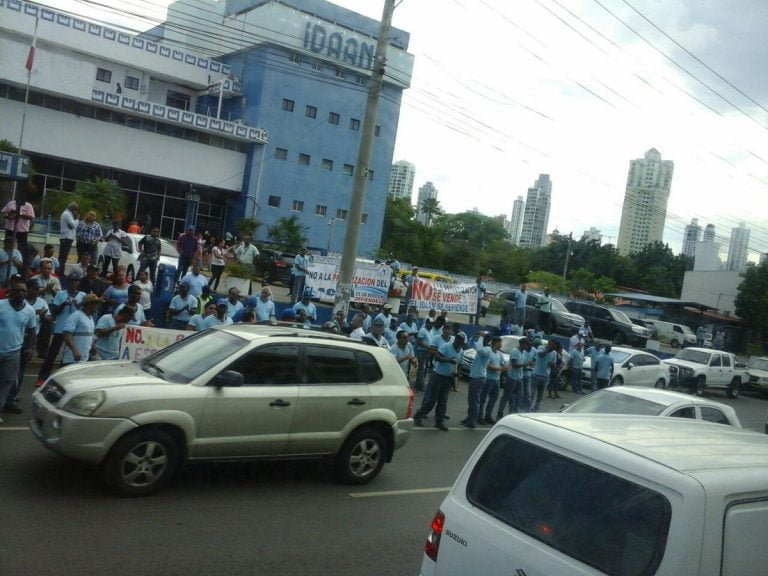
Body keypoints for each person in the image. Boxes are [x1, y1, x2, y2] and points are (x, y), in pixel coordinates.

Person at [7, 279, 50, 413]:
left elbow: (48, 319)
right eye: (33, 289)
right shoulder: (20, 303)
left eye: (37, 289)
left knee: (20, 371)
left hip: (27, 340)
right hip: (12, 340)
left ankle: (13, 398)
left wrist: (42, 316)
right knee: (8, 373)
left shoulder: (41, 303)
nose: (35, 291)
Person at [36, 274, 85, 385]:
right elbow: (54, 310)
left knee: (69, 356)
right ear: (68, 282)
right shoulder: (60, 294)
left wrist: (78, 306)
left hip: (75, 331)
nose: (73, 283)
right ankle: (42, 378)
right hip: (61, 329)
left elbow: (84, 311)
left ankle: (63, 380)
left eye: (76, 281)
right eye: (71, 281)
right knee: (52, 354)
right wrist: (64, 304)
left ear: (78, 283)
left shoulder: (82, 295)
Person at [412, 331, 465, 431]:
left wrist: (458, 372)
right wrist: (448, 360)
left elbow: (460, 364)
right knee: (432, 399)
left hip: (449, 377)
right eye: (457, 338)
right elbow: (437, 357)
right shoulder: (447, 346)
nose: (458, 341)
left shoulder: (461, 351)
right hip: (438, 375)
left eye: (460, 340)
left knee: (443, 400)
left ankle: (439, 421)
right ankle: (418, 415)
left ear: (462, 342)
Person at [0, 281, 37, 421]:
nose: (21, 293)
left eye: (23, 291)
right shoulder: (1, 305)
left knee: (7, 382)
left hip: (13, 352)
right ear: (11, 292)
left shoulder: (29, 310)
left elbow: (32, 330)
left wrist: (31, 347)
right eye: (17, 290)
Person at [61, 294, 100, 365]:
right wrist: (74, 350)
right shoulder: (76, 315)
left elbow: (89, 335)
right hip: (72, 358)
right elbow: (66, 333)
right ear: (88, 304)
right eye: (95, 304)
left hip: (84, 358)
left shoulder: (91, 318)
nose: (97, 306)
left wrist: (93, 347)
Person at [463, 331, 492, 429]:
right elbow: (471, 344)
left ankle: (472, 421)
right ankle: (469, 418)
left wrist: (481, 337)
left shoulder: (488, 349)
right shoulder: (483, 347)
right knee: (471, 399)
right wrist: (475, 336)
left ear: (487, 340)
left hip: (479, 377)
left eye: (484, 338)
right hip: (475, 376)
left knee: (475, 400)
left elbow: (479, 349)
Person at [497, 338, 530, 419]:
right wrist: (525, 365)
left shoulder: (524, 352)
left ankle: (512, 414)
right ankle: (500, 413)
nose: (527, 346)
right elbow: (514, 365)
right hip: (512, 378)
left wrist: (527, 367)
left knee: (517, 397)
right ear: (522, 344)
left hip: (519, 378)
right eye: (526, 344)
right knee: (507, 396)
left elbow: (521, 365)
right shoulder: (515, 351)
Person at [479, 335, 506, 424]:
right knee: (483, 399)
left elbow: (504, 364)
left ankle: (488, 416)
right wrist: (499, 369)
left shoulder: (500, 354)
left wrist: (502, 367)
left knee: (493, 399)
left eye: (501, 343)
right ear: (494, 343)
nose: (500, 344)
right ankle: (479, 417)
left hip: (497, 380)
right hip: (488, 379)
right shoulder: (488, 352)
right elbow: (488, 365)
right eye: (499, 342)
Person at [1, 198, 35, 264]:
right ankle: (5, 260)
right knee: (8, 245)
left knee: (22, 248)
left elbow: (31, 217)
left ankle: (20, 262)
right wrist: (9, 216)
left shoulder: (28, 205)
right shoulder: (11, 203)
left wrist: (20, 214)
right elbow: (3, 213)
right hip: (10, 229)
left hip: (22, 230)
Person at [531, 340, 557, 412]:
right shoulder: (541, 347)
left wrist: (552, 364)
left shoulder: (554, 353)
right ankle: (527, 407)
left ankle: (537, 408)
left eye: (554, 345)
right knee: (531, 393)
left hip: (545, 376)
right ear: (548, 344)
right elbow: (540, 355)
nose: (553, 346)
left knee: (540, 395)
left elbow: (554, 363)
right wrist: (547, 350)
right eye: (552, 344)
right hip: (536, 374)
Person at [58, 202, 79, 275]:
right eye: (76, 210)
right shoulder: (67, 214)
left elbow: (72, 226)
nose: (76, 211)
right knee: (63, 257)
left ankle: (60, 272)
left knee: (63, 257)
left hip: (67, 238)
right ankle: (60, 273)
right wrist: (77, 219)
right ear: (72, 209)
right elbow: (74, 225)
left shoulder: (69, 215)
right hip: (66, 237)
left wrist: (73, 224)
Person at [414, 317, 433, 392]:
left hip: (428, 352)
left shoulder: (431, 331)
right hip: (422, 351)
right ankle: (421, 385)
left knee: (424, 369)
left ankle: (417, 383)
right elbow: (420, 342)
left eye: (432, 323)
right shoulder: (422, 330)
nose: (431, 325)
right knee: (422, 368)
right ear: (427, 323)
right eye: (430, 323)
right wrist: (428, 347)